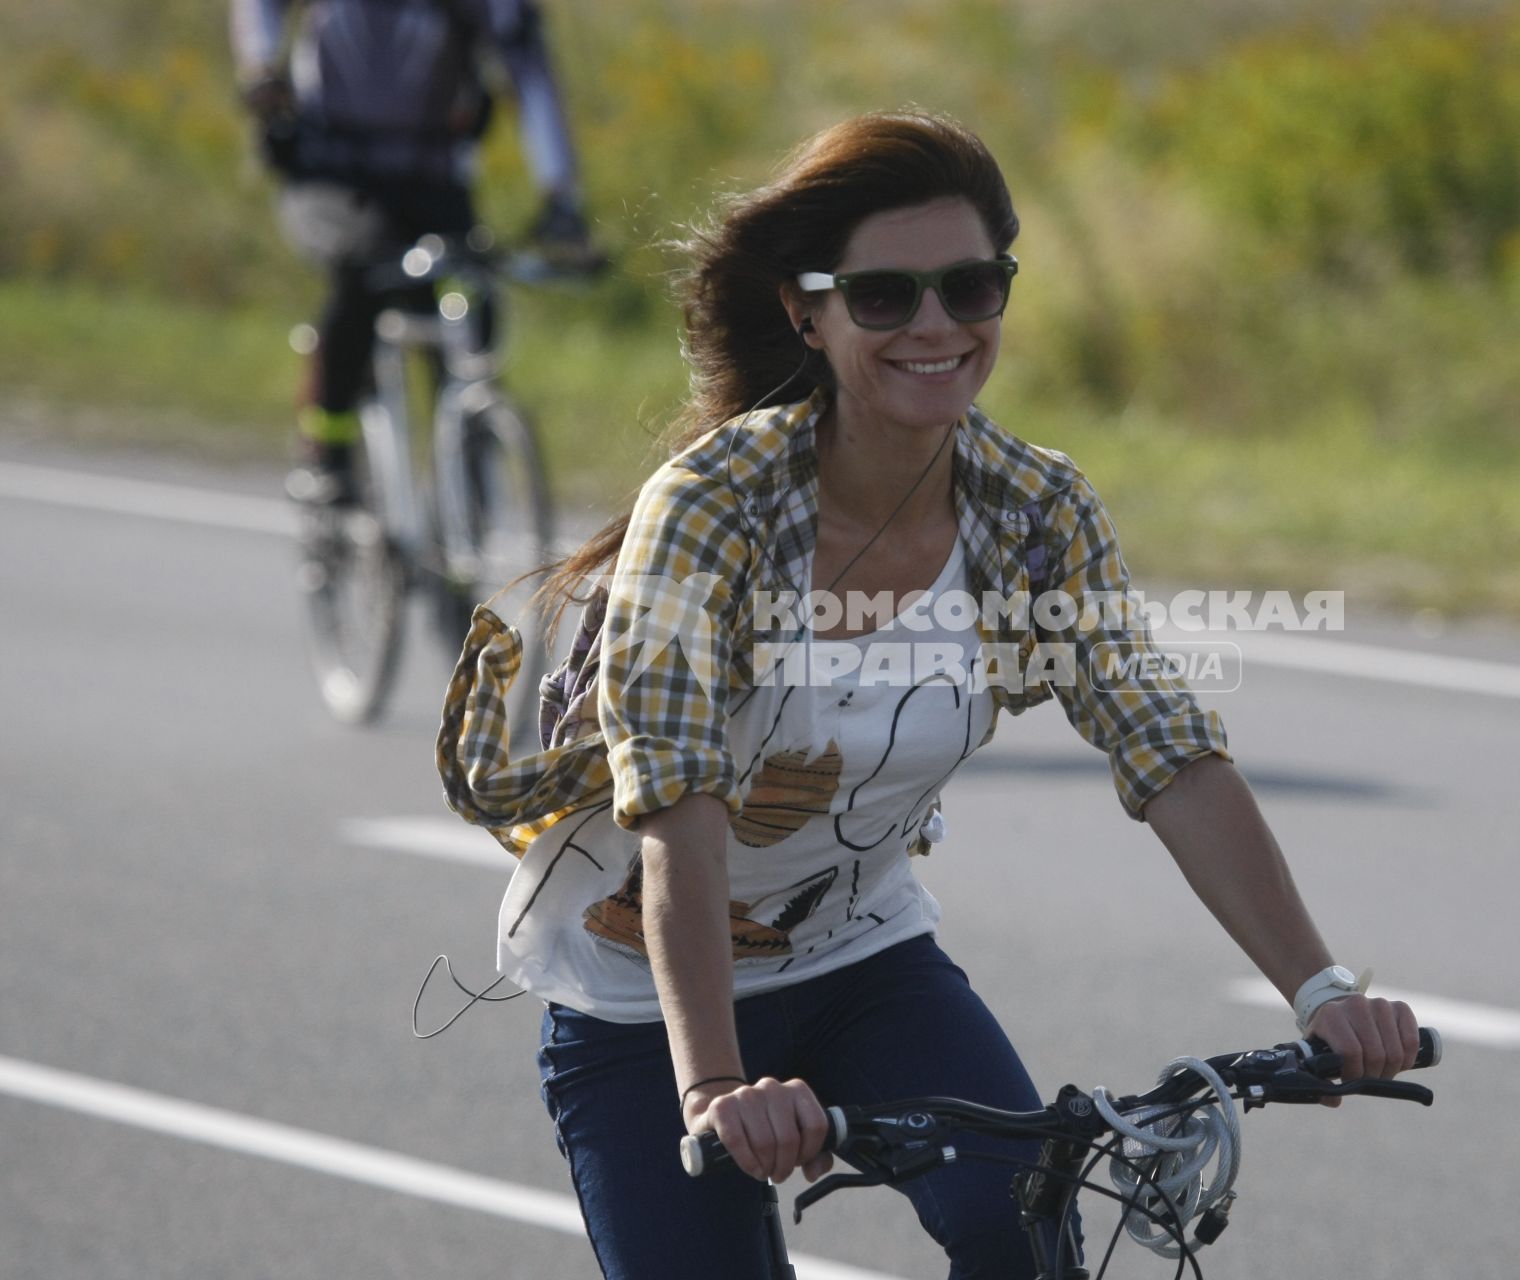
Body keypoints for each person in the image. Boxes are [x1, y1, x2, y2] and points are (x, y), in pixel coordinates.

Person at [435, 110, 1420, 1279]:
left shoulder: (1034, 511)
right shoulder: (714, 507)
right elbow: (679, 813)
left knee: (1026, 1230)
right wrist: (713, 1082)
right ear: (810, 309)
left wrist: (1320, 987)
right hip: (646, 997)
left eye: (970, 286)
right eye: (886, 296)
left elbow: (1171, 756)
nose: (937, 326)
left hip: (861, 959)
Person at [229, 0, 599, 505]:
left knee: (473, 293)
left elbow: (529, 71)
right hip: (331, 175)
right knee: (363, 274)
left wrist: (560, 197)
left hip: (432, 179)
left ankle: (462, 469)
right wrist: (261, 67)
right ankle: (329, 450)